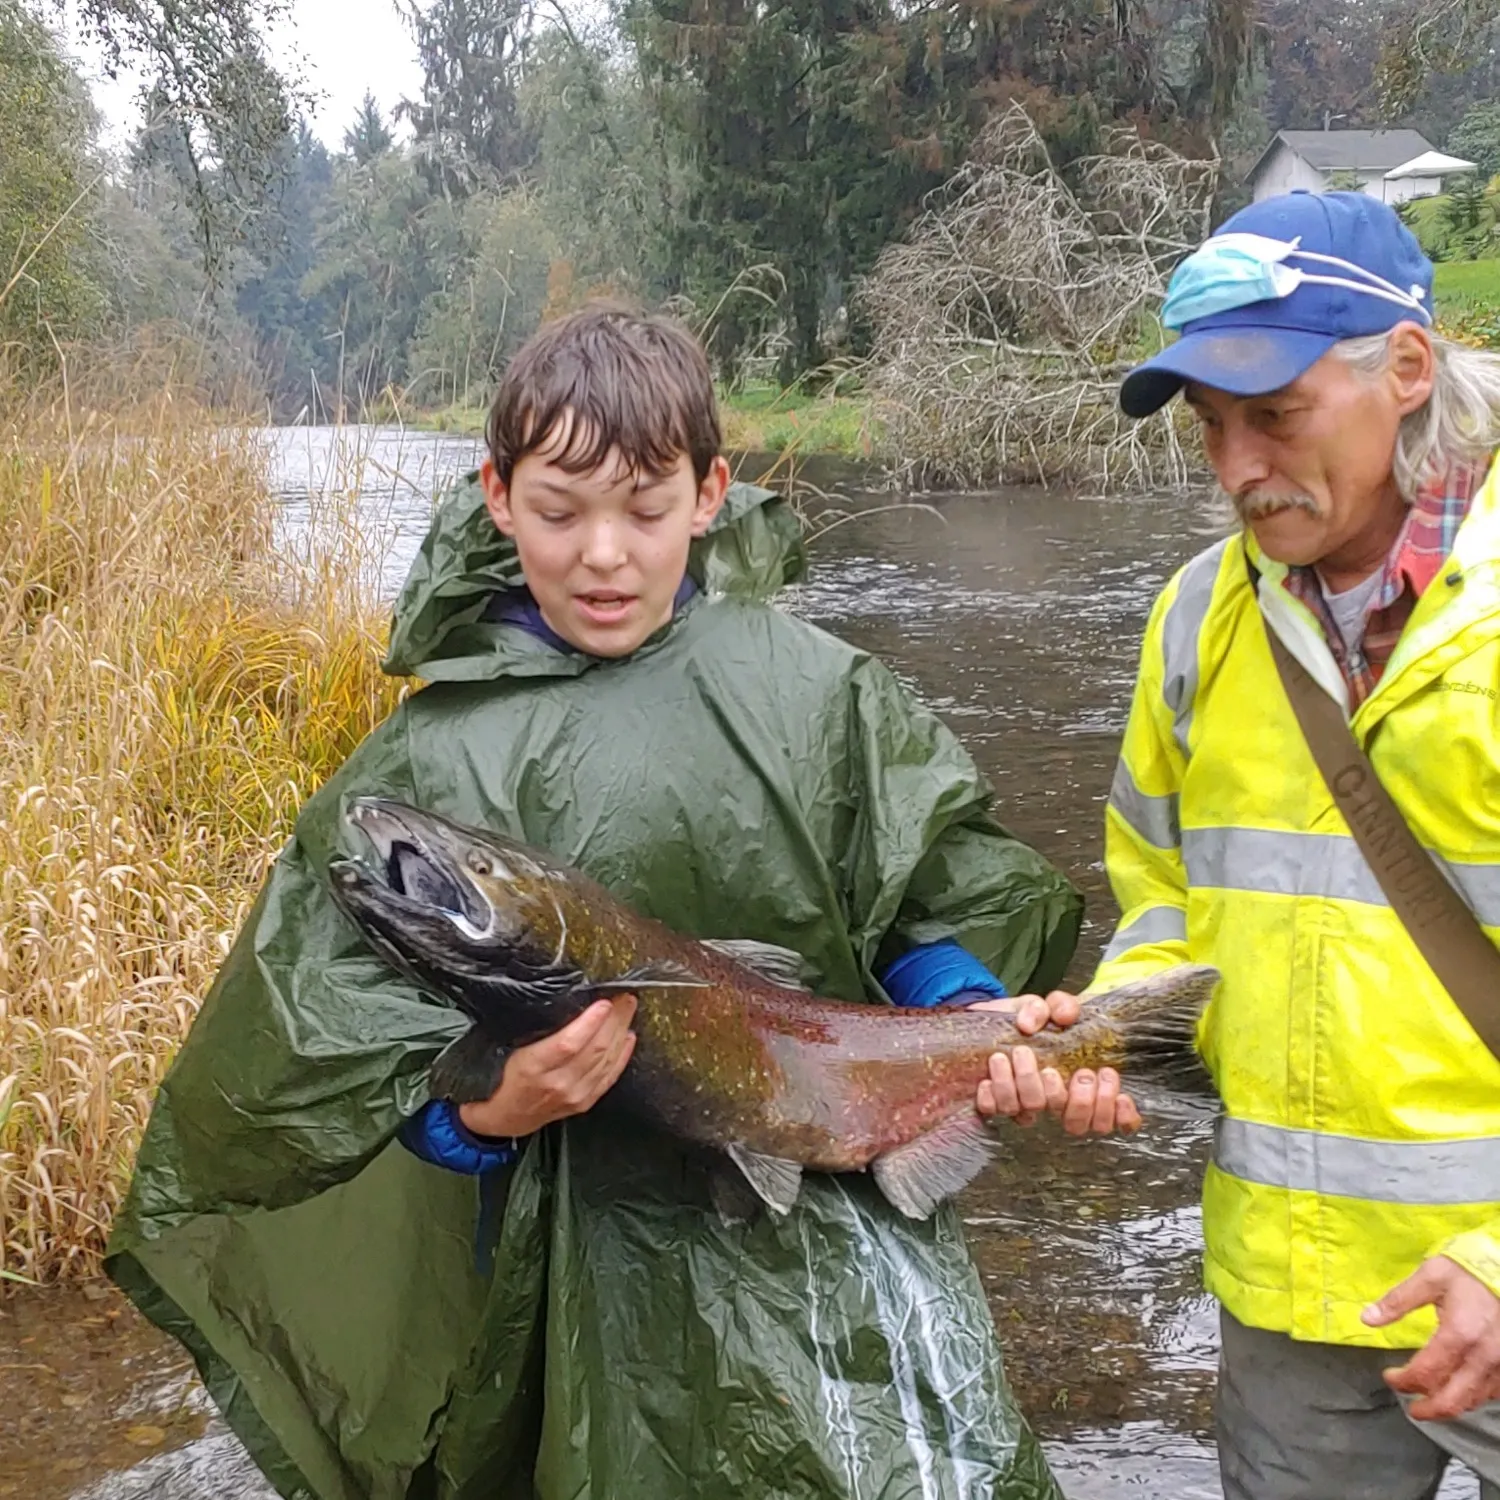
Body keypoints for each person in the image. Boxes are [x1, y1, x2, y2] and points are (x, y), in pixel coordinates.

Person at [107, 304, 1129, 1500]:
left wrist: (976, 1030)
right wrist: (486, 1115)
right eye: (559, 512)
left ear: (709, 494)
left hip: (832, 1255)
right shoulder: (423, 764)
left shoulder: (820, 694)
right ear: (495, 495)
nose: (605, 553)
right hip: (562, 1285)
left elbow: (922, 908)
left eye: (645, 511)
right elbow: (333, 1064)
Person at [1064, 188, 1500, 1498]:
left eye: (1276, 414)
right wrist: (1114, 1025)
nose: (1239, 468)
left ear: (1406, 371)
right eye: (1212, 427)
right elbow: (1161, 893)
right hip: (1292, 1306)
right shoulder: (1196, 623)